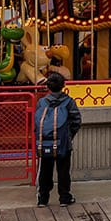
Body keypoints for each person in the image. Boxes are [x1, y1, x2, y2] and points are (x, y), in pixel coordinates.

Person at [35, 71, 81, 207]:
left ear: (48, 87)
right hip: (63, 142)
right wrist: (69, 135)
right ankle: (64, 197)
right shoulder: (68, 101)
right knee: (63, 170)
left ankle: (43, 198)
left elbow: (36, 121)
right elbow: (76, 120)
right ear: (63, 86)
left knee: (45, 169)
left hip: (45, 141)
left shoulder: (42, 102)